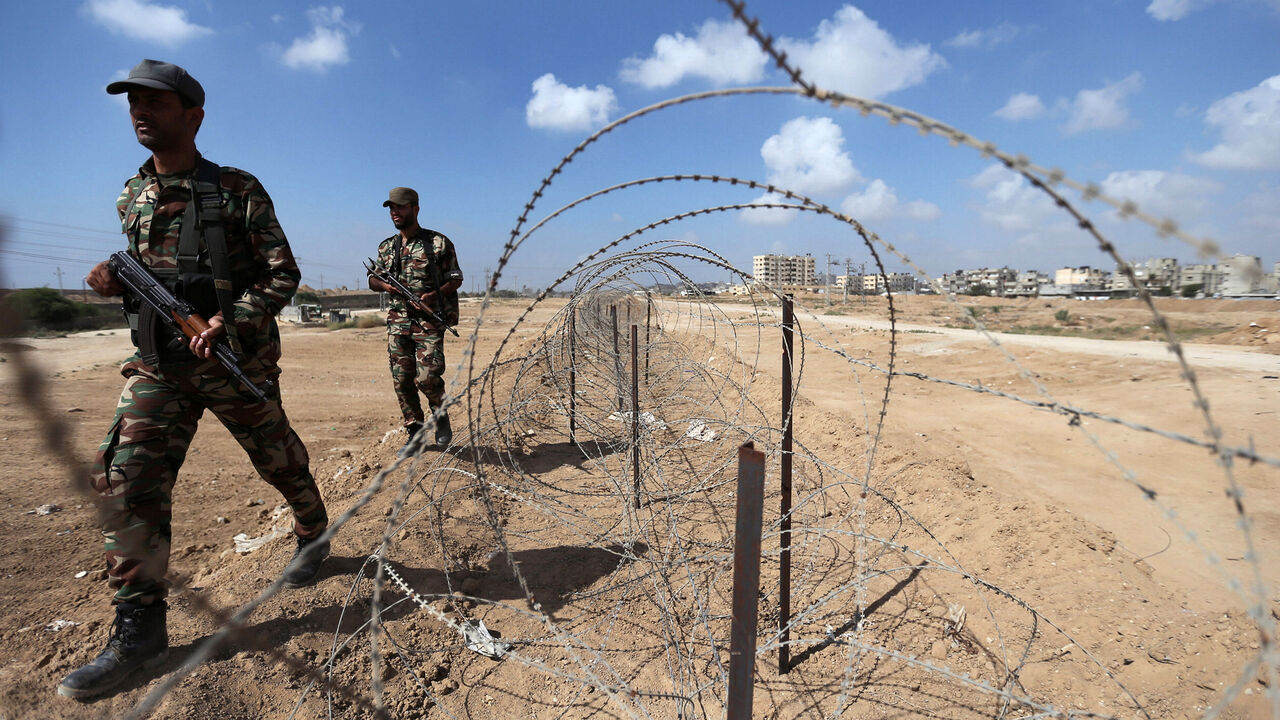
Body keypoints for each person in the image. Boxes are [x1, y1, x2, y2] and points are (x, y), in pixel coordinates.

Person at [58, 59, 330, 700]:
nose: (140, 112)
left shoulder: (236, 189)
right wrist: (104, 279)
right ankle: (139, 633)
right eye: (133, 103)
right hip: (158, 368)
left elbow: (282, 274)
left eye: (155, 102)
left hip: (234, 362)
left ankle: (313, 530)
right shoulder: (131, 195)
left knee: (279, 460)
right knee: (130, 481)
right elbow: (139, 280)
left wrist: (226, 322)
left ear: (194, 115)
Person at [366, 187, 463, 454]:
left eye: (400, 207)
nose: (394, 212)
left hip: (429, 321)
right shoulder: (387, 247)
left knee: (427, 377)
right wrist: (386, 288)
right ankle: (415, 432)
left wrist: (433, 296)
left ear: (415, 208)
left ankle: (441, 415)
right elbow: (373, 279)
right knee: (402, 379)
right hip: (398, 322)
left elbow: (456, 279)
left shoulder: (439, 243)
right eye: (391, 208)